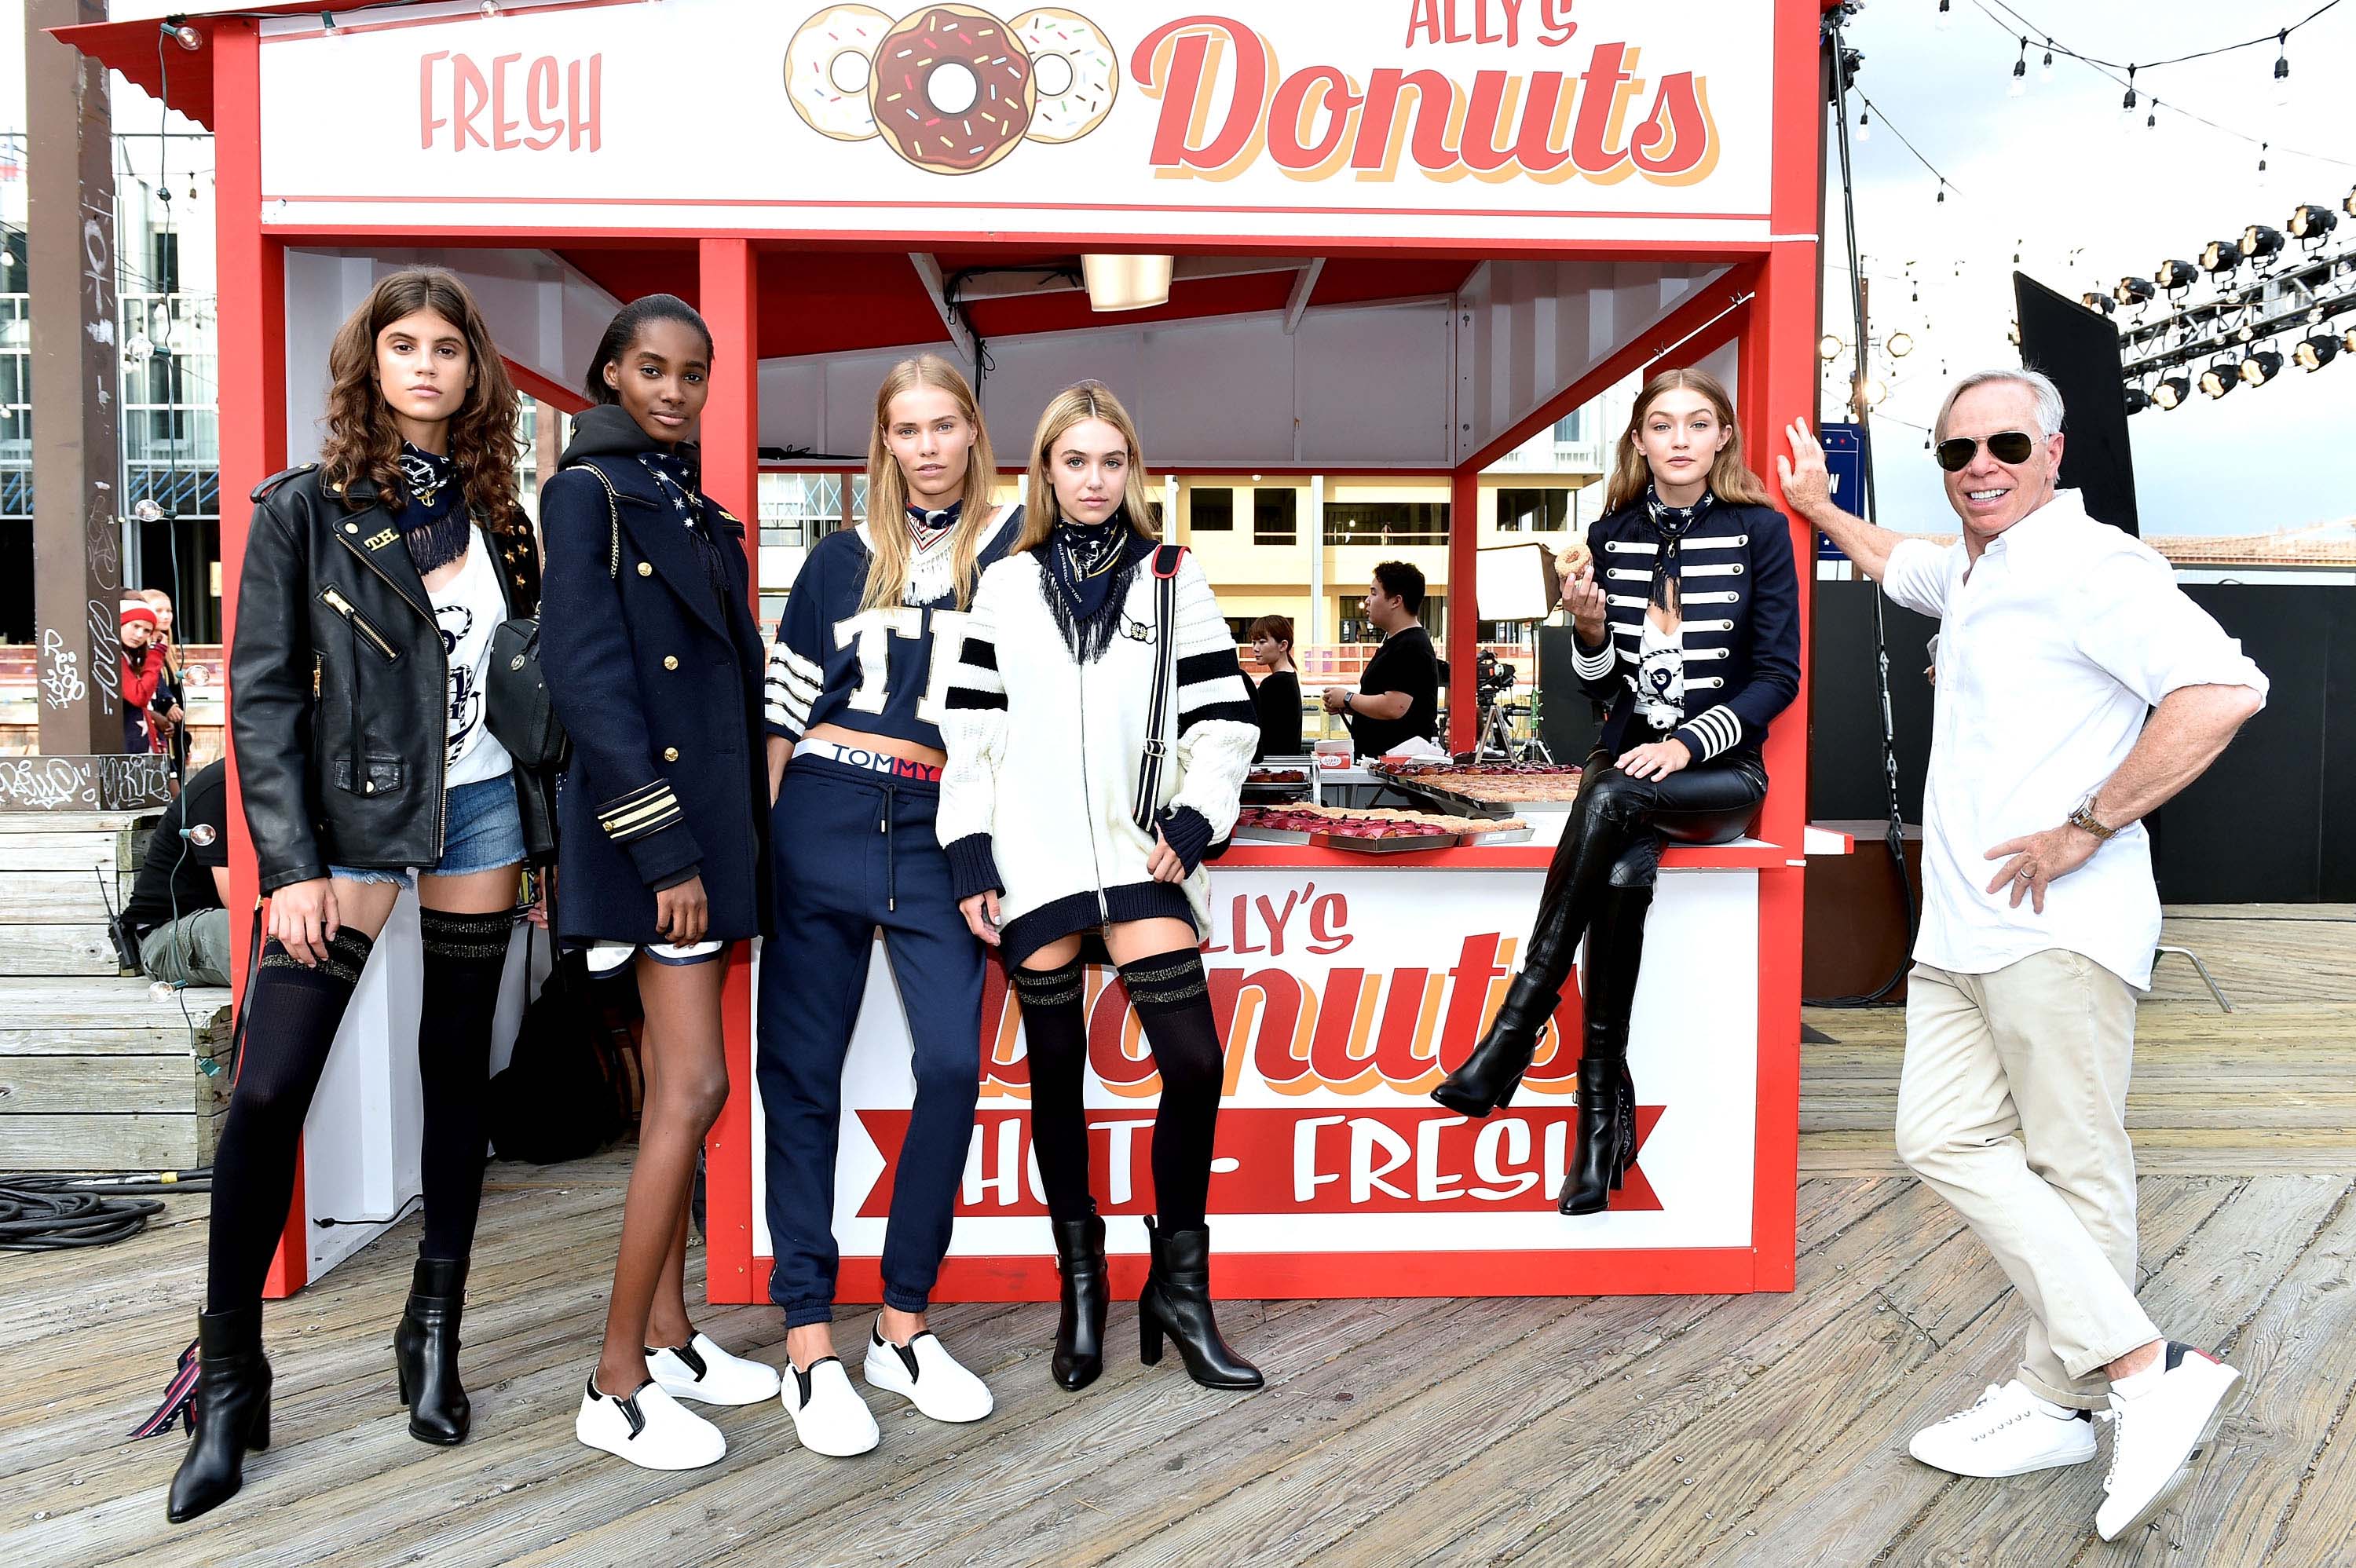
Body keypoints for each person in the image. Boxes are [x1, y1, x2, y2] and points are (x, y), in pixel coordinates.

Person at [1781, 368, 2266, 1542]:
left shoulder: (2093, 564)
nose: (1979, 465)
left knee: (2074, 1163)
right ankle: (2125, 1372)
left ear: (2052, 449)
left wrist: (2088, 824)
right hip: (1959, 931)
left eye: (2005, 443)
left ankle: (2093, 1389)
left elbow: (2224, 690)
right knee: (1939, 1137)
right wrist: (1819, 507)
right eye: (1957, 451)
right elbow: (1904, 561)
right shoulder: (1981, 565)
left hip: (2057, 930)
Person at [169, 268, 550, 1523]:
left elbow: (524, 681)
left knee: (458, 1075)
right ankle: (229, 1382)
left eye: (450, 346)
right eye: (406, 344)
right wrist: (290, 867)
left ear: (474, 370)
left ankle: (430, 1332)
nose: (429, 364)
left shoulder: (505, 517)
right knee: (271, 1082)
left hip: (483, 810)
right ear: (371, 364)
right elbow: (261, 698)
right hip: (349, 831)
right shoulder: (304, 509)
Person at [939, 381, 1264, 1394]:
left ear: (1133, 470)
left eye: (1110, 460)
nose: (1093, 479)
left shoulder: (1176, 576)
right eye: (1073, 461)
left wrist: (1198, 817)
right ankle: (1082, 1289)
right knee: (1055, 1082)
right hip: (1033, 860)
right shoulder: (1002, 584)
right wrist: (969, 848)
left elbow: (1226, 717)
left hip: (1138, 857)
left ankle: (1179, 1285)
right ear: (1045, 471)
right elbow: (972, 735)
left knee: (1195, 1064)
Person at [1432, 369, 1799, 1220]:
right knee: (1623, 876)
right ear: (1639, 441)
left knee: (1607, 798)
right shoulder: (1608, 535)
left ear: (1721, 439)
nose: (1679, 439)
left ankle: (1513, 1036)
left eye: (1697, 423)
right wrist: (1589, 629)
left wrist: (1685, 742)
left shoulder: (1759, 532)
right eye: (1662, 424)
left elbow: (1778, 674)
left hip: (1718, 769)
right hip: (1628, 767)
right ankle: (1597, 1139)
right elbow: (1605, 689)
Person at [758, 353, 1018, 1457]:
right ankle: (809, 1338)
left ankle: (903, 1323)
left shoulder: (1016, 553)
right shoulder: (835, 560)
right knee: (801, 1078)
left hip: (937, 830)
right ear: (885, 443)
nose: (925, 446)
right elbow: (780, 709)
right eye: (905, 429)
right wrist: (779, 838)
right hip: (822, 804)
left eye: (943, 425)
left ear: (972, 433)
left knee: (953, 1065)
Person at [542, 295, 779, 1473]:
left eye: (694, 372)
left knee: (688, 1094)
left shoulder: (695, 507)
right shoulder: (587, 494)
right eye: (652, 368)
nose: (676, 389)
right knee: (690, 1090)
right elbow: (587, 681)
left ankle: (674, 1336)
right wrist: (668, 855)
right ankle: (614, 1376)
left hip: (710, 845)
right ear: (610, 373)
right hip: (658, 849)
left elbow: (733, 694)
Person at [124, 757, 231, 988]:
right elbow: (236, 898)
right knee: (280, 935)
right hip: (166, 935)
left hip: (216, 919)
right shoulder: (221, 786)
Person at [1321, 561, 1439, 757]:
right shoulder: (1395, 642)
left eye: (1374, 593)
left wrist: (1348, 698)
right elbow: (1388, 706)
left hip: (1397, 767)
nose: (1367, 600)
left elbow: (1395, 707)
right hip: (1382, 762)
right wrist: (1348, 706)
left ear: (1396, 601)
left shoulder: (1411, 645)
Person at [139, 587, 192, 779]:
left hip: (173, 730)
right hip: (153, 727)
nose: (166, 616)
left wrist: (184, 742)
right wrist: (168, 702)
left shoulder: (167, 648)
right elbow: (152, 680)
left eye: (169, 610)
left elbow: (174, 690)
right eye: (159, 610)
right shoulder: (142, 647)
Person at [1245, 613, 1303, 758]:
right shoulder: (1290, 678)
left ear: (1283, 645)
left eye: (1262, 642)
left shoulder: (1274, 684)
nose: (1256, 648)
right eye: (1253, 643)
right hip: (1286, 766)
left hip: (1272, 768)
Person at [119, 601, 163, 755]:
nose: (139, 635)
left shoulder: (130, 657)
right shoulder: (114, 657)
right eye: (135, 626)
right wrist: (157, 653)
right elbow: (140, 696)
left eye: (146, 631)